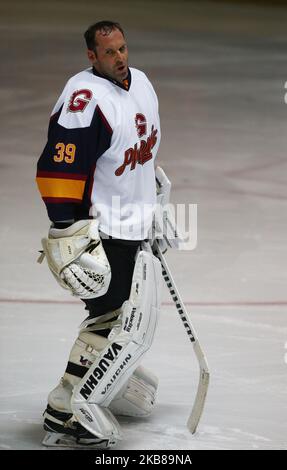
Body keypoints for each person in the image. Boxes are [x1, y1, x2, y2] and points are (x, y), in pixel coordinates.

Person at [36, 21, 162, 449]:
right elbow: (59, 167)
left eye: (124, 48)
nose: (121, 57)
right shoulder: (85, 100)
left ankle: (98, 386)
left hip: (134, 225)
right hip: (103, 228)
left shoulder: (141, 83)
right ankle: (66, 405)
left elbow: (143, 150)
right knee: (111, 318)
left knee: (122, 317)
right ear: (92, 56)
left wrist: (154, 198)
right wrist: (65, 228)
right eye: (110, 53)